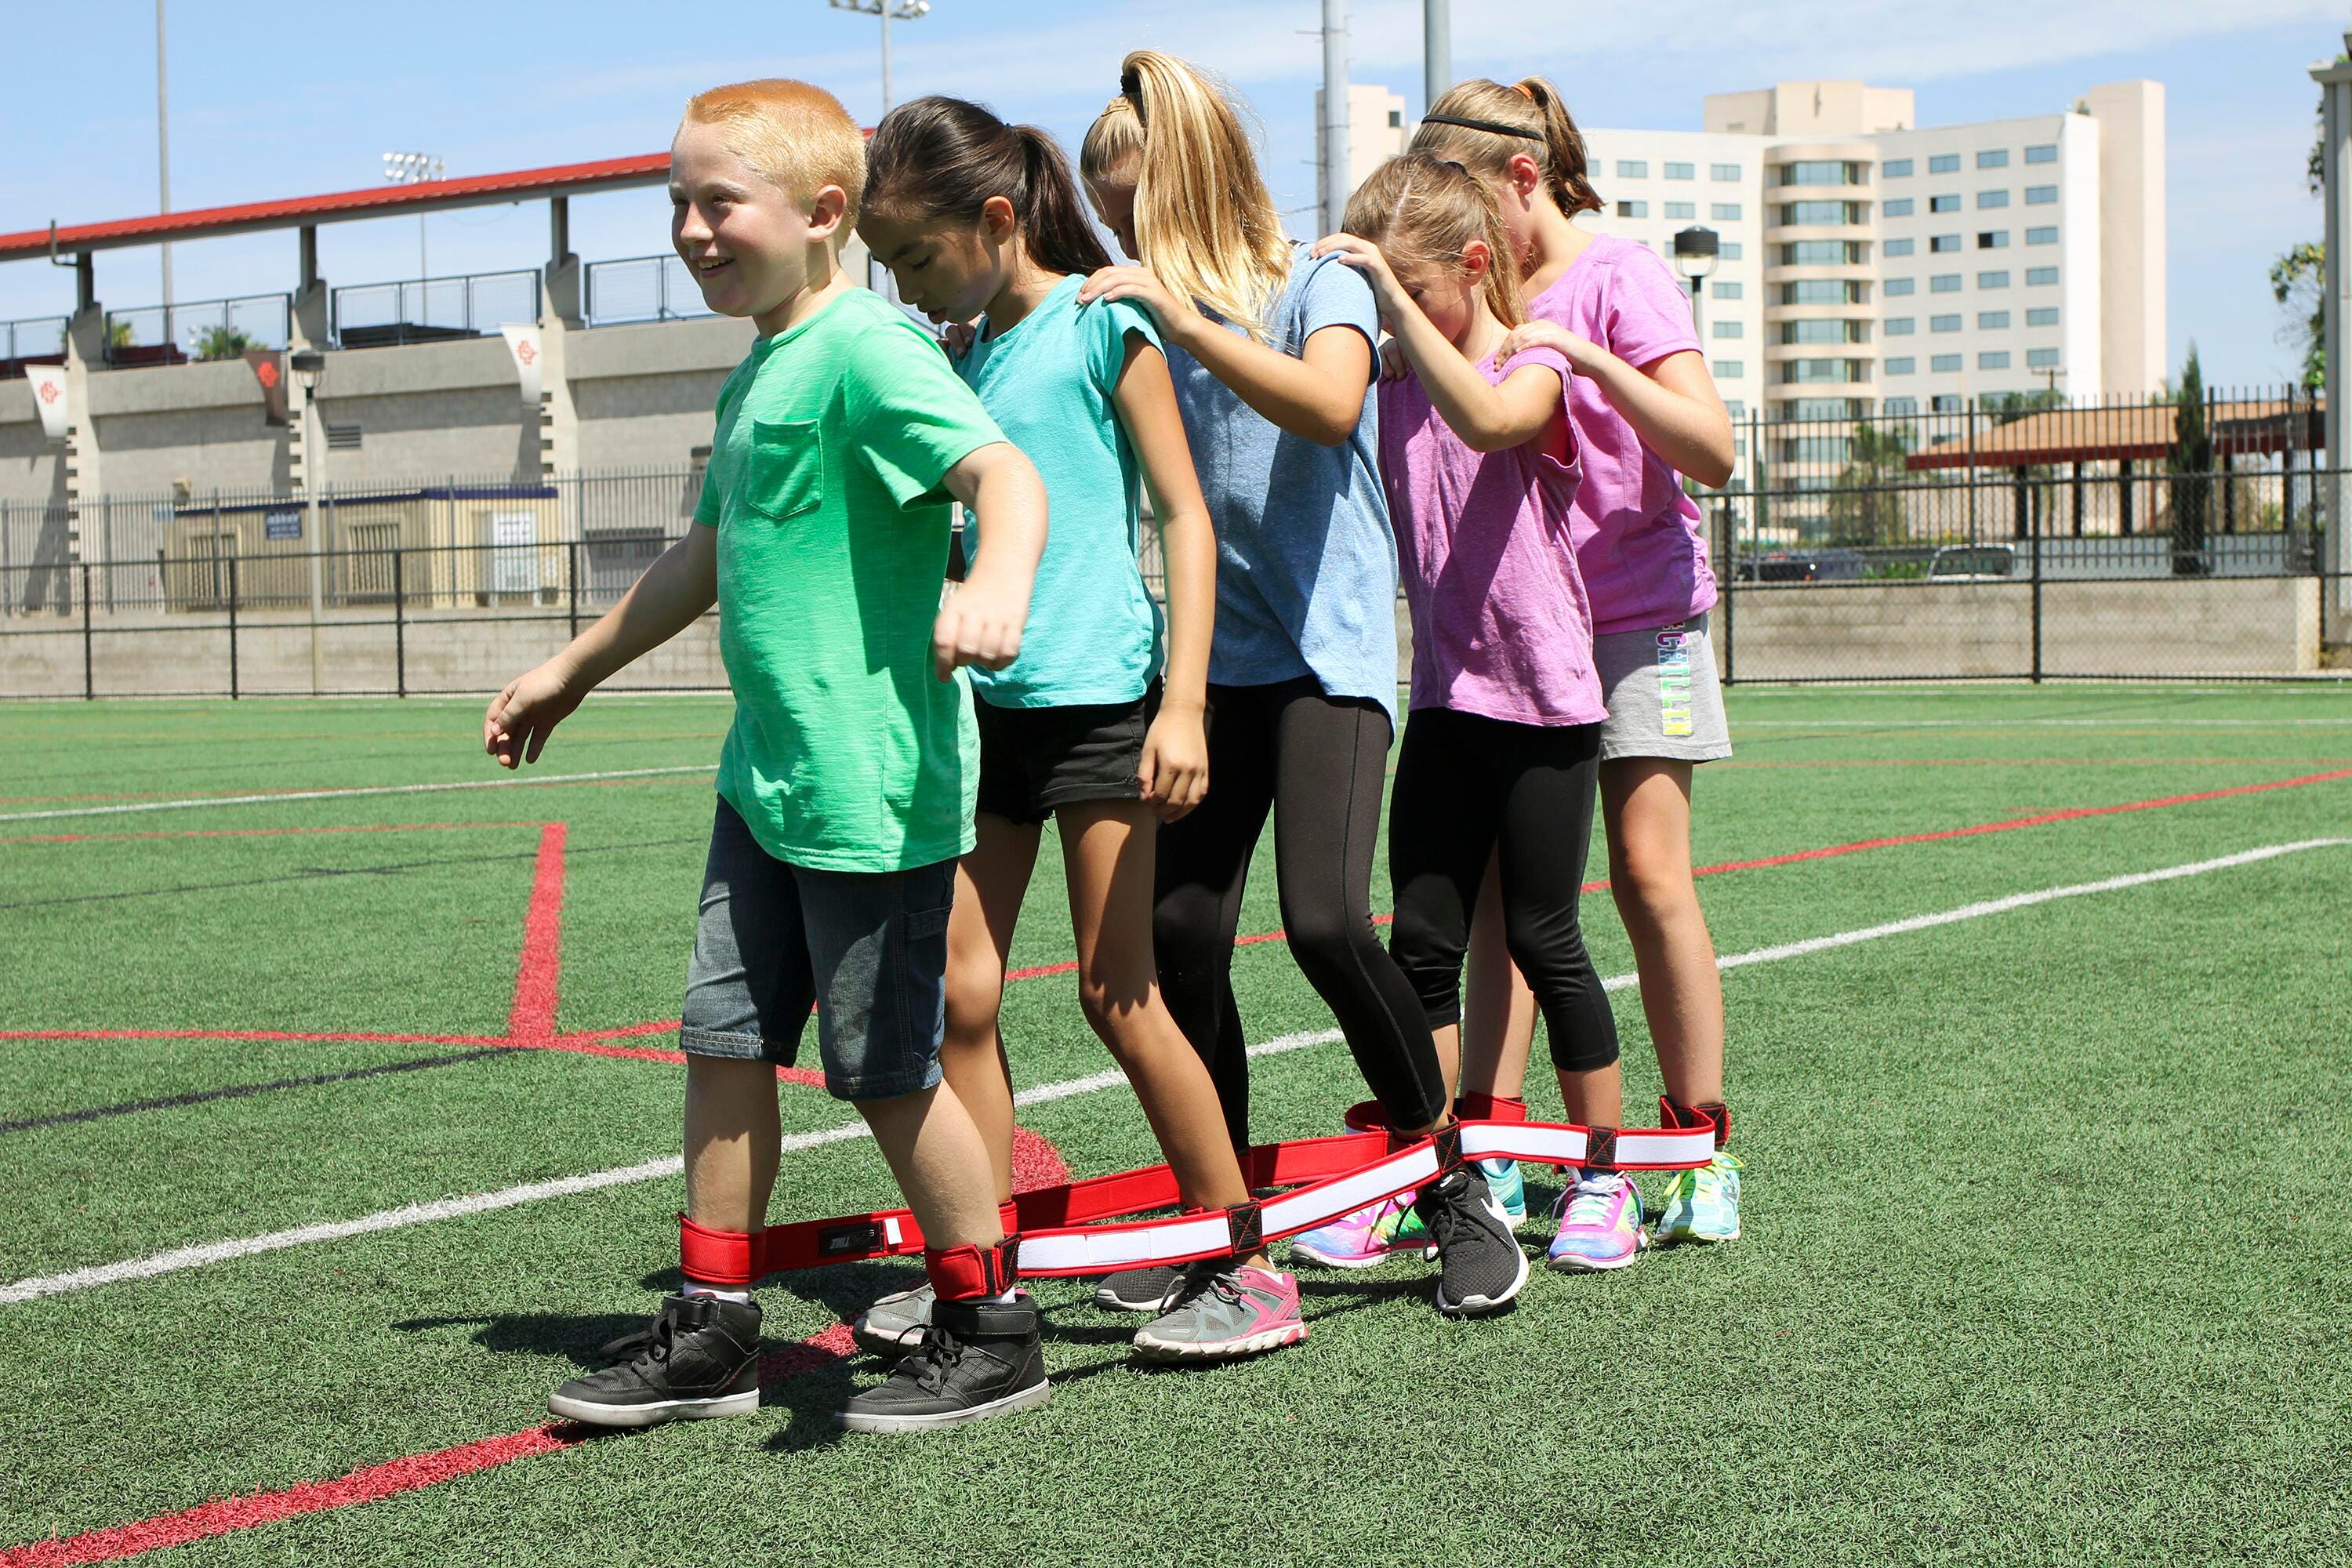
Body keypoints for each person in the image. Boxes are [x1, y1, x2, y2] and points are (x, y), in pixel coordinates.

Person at [484, 78, 1058, 1435]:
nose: (691, 229)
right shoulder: (760, 369)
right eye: (677, 203)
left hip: (868, 794)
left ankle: (991, 1327)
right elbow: (706, 556)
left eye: (718, 202)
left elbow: (1005, 477)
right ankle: (717, 1326)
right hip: (766, 782)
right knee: (724, 1044)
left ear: (823, 213)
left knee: (887, 1071)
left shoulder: (869, 348)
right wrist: (573, 668)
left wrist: (997, 585)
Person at [850, 94, 1305, 1361]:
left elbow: (1184, 517)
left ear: (997, 218)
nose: (907, 288)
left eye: (918, 258)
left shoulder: (1105, 323)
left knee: (1119, 993)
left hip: (1103, 706)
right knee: (961, 998)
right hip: (983, 720)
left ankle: (1243, 1263)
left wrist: (1184, 704)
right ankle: (977, 1267)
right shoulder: (955, 361)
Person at [1075, 51, 1526, 1319]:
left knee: (1326, 922)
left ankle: (1451, 1189)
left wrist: (1188, 324)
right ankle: (1222, 1219)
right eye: (1104, 210)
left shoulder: (1316, 278)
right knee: (1178, 935)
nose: (1119, 231)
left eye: (1132, 202)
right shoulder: (1140, 312)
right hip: (1214, 669)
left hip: (1329, 659)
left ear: (1192, 178)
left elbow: (1330, 406)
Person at [1413, 78, 1744, 1251]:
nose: (1454, 233)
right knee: (1508, 896)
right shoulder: (1477, 290)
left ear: (1523, 178)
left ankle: (1695, 1148)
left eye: (1465, 202)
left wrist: (1590, 361)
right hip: (1522, 635)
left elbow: (1713, 451)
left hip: (1644, 621)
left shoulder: (1620, 274)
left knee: (1651, 876)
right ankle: (1497, 1150)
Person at [1305, 154, 1630, 1276]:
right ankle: (1438, 1176)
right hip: (1446, 704)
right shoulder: (1390, 380)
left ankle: (1603, 1176)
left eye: (1406, 288)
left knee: (1545, 938)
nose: (1389, 312)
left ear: (1475, 265)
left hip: (1545, 709)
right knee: (1422, 950)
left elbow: (1492, 422)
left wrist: (1393, 311)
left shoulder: (1535, 361)